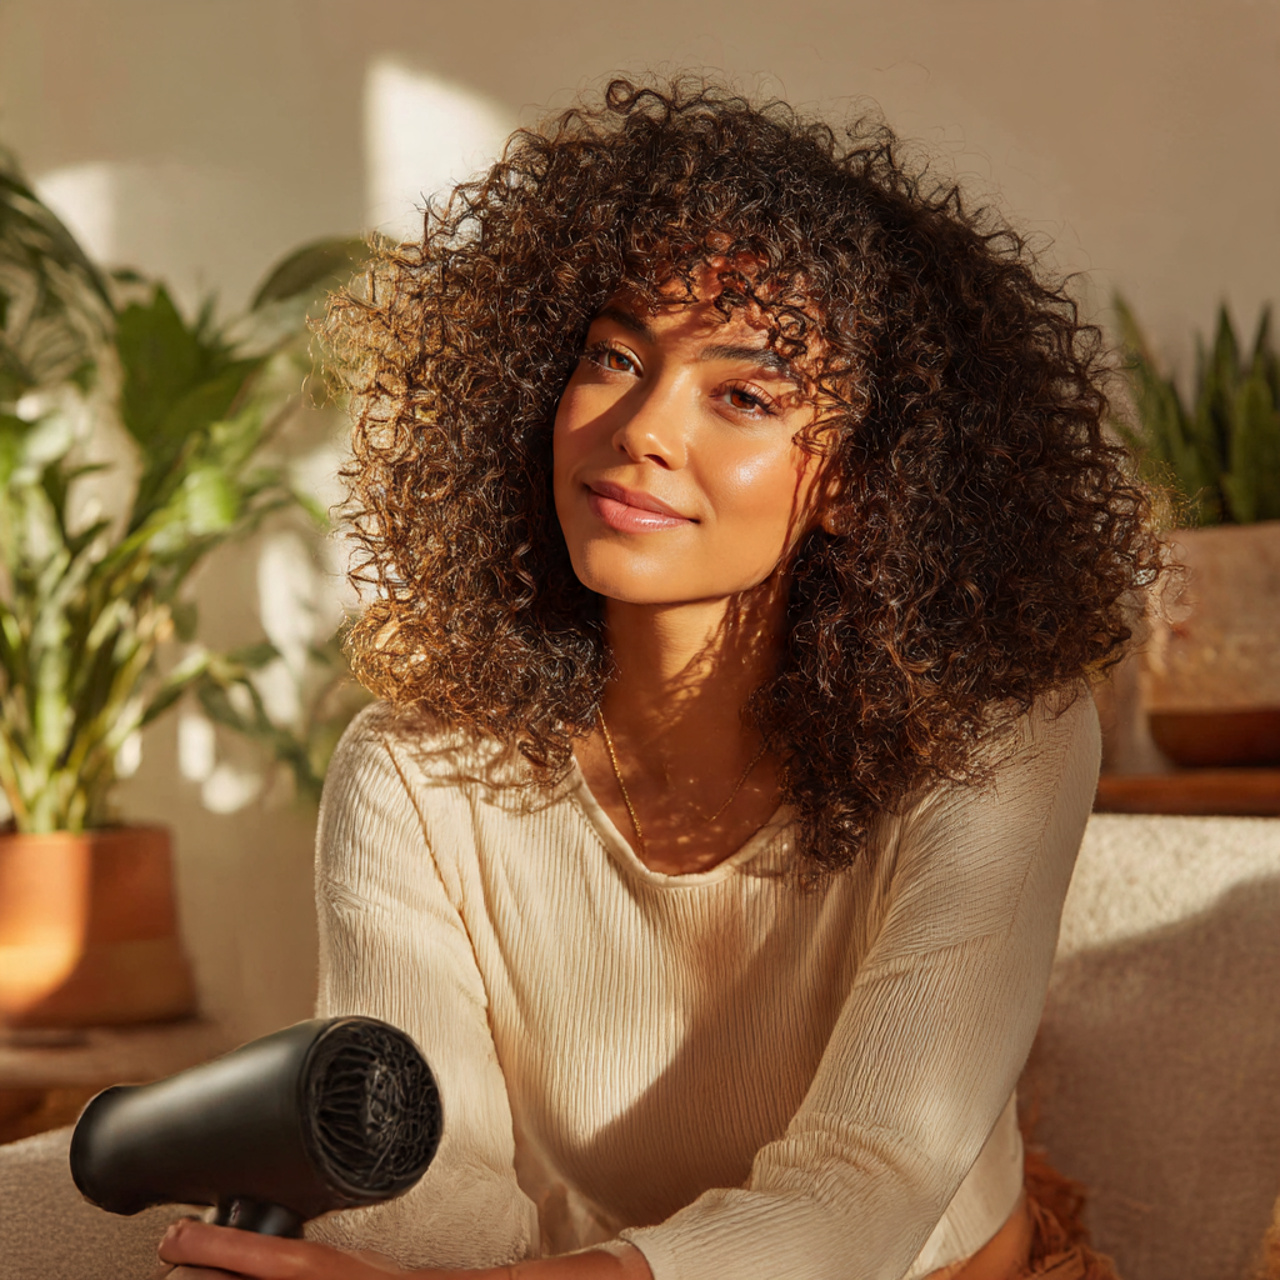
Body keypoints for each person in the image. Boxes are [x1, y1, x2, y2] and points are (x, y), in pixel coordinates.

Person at [160, 79, 1158, 1280]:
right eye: (613, 356)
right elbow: (426, 1182)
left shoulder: (996, 737)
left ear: (855, 475)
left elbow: (871, 1181)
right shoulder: (411, 773)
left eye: (741, 394)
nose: (641, 426)